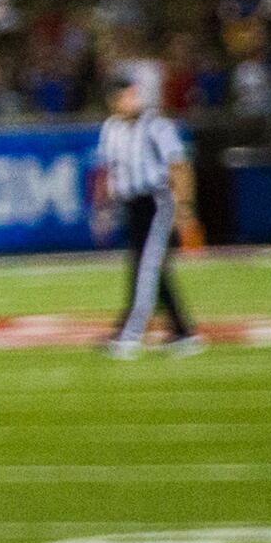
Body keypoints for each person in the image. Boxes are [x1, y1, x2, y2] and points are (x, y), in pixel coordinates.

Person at [97, 73, 202, 357]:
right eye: (124, 96)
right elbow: (106, 171)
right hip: (130, 203)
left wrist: (184, 207)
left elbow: (179, 166)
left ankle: (130, 335)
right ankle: (182, 331)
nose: (131, 101)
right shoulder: (111, 128)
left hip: (155, 201)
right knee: (151, 267)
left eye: (133, 94)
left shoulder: (156, 125)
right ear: (113, 101)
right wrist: (102, 209)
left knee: (146, 267)